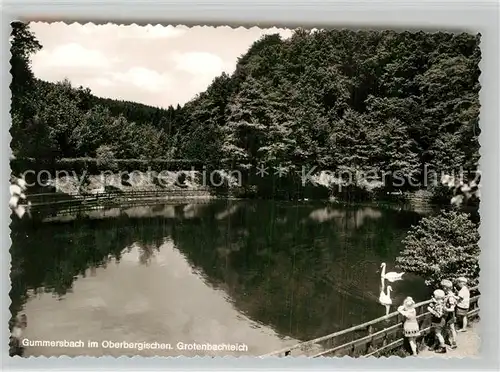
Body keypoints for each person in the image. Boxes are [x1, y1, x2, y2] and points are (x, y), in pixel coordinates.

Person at [427, 289, 447, 353]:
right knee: (437, 333)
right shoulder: (442, 302)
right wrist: (434, 302)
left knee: (438, 334)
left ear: (437, 296)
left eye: (434, 295)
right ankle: (436, 345)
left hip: (438, 321)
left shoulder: (439, 305)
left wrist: (431, 310)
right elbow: (438, 305)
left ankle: (443, 347)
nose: (433, 296)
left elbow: (439, 315)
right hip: (441, 321)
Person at [441, 279, 458, 349]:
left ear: (446, 288)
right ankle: (444, 340)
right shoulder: (448, 295)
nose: (442, 288)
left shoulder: (451, 297)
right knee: (446, 328)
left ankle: (454, 343)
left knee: (452, 328)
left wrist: (445, 309)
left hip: (450, 315)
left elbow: (452, 308)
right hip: (447, 315)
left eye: (443, 287)